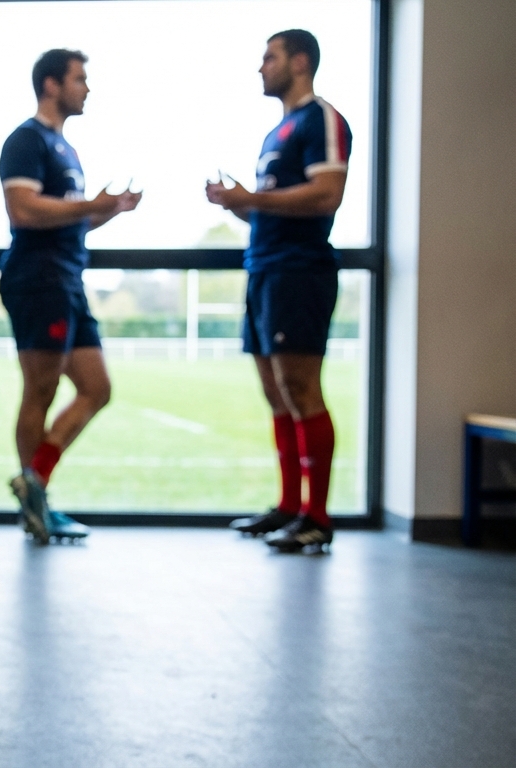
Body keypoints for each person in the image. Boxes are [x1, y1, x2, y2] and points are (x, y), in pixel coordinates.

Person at [206, 29, 351, 553]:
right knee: (276, 392)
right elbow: (271, 204)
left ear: (300, 61)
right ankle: (290, 505)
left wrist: (254, 200)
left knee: (302, 388)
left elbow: (326, 194)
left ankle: (318, 516)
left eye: (269, 57)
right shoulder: (277, 133)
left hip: (300, 270)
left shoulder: (321, 120)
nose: (261, 67)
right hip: (264, 267)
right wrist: (237, 203)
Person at [0, 49, 141, 543]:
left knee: (97, 388)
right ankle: (35, 500)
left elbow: (69, 213)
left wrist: (109, 210)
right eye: (80, 79)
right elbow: (23, 210)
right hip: (37, 279)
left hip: (67, 280)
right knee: (40, 390)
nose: (86, 88)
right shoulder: (25, 140)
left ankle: (34, 480)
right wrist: (89, 204)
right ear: (52, 84)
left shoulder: (66, 149)